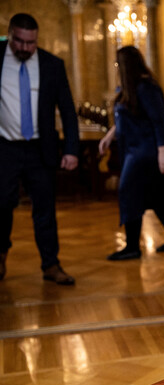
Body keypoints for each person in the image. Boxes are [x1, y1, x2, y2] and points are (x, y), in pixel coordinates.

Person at [0, 13, 79, 285]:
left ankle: (51, 264)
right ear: (10, 34)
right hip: (4, 148)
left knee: (45, 209)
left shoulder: (52, 65)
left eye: (30, 42)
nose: (24, 48)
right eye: (19, 41)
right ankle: (0, 256)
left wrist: (71, 149)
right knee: (1, 205)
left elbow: (68, 109)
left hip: (39, 149)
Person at [99, 46, 164, 260]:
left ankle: (132, 247)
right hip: (134, 150)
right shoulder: (130, 88)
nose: (116, 68)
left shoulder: (146, 87)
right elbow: (127, 117)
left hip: (144, 153)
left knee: (128, 193)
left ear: (126, 66)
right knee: (156, 196)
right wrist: (110, 136)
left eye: (118, 64)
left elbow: (158, 121)